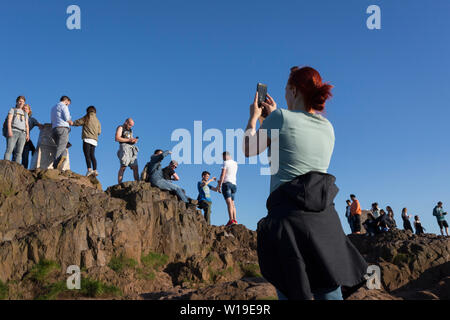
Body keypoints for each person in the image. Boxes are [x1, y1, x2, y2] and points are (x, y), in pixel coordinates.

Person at [243, 66, 367, 300]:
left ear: (293, 90)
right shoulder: (328, 127)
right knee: (329, 292)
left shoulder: (281, 118)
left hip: (288, 220)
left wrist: (254, 118)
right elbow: (292, 146)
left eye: (287, 91)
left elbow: (249, 148)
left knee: (293, 290)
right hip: (324, 219)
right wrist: (274, 118)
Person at [72, 106, 101, 177]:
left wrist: (72, 123)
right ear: (95, 112)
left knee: (87, 155)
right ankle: (95, 170)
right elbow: (99, 132)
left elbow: (78, 122)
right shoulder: (97, 120)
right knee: (92, 155)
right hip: (94, 140)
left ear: (88, 111)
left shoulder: (87, 117)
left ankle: (89, 170)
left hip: (87, 139)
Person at [3, 96, 30, 164]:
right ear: (17, 102)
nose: (21, 103)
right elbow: (9, 121)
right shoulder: (13, 109)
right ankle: (5, 165)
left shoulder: (25, 113)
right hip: (13, 131)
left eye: (23, 102)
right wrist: (9, 130)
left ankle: (16, 168)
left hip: (22, 133)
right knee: (9, 149)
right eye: (20, 101)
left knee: (19, 152)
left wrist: (27, 134)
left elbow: (27, 124)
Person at [50, 96, 73, 170]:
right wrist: (71, 122)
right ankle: (55, 164)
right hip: (63, 128)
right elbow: (67, 118)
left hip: (54, 129)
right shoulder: (64, 106)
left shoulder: (53, 107)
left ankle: (63, 156)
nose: (68, 105)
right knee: (61, 147)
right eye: (68, 103)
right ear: (66, 101)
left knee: (62, 146)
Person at [217, 151, 238, 226]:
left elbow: (223, 174)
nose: (223, 159)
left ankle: (231, 220)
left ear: (225, 156)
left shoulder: (225, 163)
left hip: (226, 184)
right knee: (233, 203)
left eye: (223, 157)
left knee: (229, 203)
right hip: (234, 185)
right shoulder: (235, 163)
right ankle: (235, 220)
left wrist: (219, 185)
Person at [115, 118, 139, 184]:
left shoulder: (130, 130)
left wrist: (133, 141)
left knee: (135, 167)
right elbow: (117, 138)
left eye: (132, 125)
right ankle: (119, 183)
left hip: (131, 148)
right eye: (130, 125)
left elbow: (130, 139)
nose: (130, 126)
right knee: (123, 166)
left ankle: (138, 182)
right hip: (124, 148)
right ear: (126, 122)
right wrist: (129, 140)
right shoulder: (121, 127)